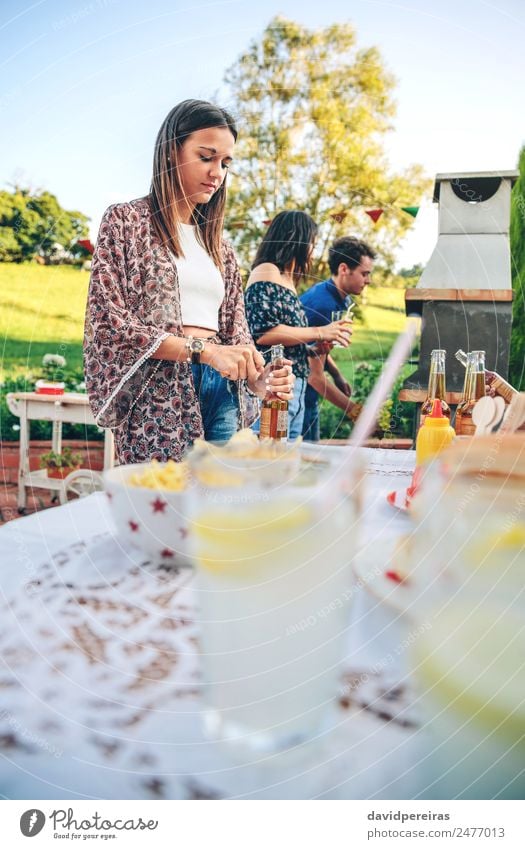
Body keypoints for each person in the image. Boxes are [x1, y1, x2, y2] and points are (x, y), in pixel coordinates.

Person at [84, 100, 294, 464]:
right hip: (158, 390)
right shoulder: (126, 222)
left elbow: (236, 333)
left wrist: (256, 379)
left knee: (223, 507)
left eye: (225, 163)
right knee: (163, 506)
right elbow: (109, 323)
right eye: (206, 157)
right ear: (170, 153)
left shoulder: (221, 248)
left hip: (221, 393)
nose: (217, 173)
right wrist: (205, 351)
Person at [244, 211, 351, 439]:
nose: (313, 249)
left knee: (286, 458)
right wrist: (321, 331)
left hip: (294, 384)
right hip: (273, 386)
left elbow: (286, 338)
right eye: (311, 242)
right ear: (297, 239)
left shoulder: (287, 280)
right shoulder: (267, 270)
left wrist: (311, 348)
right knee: (267, 457)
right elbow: (263, 333)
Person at [299, 236, 376, 441]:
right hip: (297, 399)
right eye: (364, 274)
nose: (368, 280)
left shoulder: (340, 299)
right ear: (344, 269)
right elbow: (314, 378)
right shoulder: (322, 305)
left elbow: (316, 348)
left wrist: (336, 374)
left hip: (308, 399)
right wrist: (357, 413)